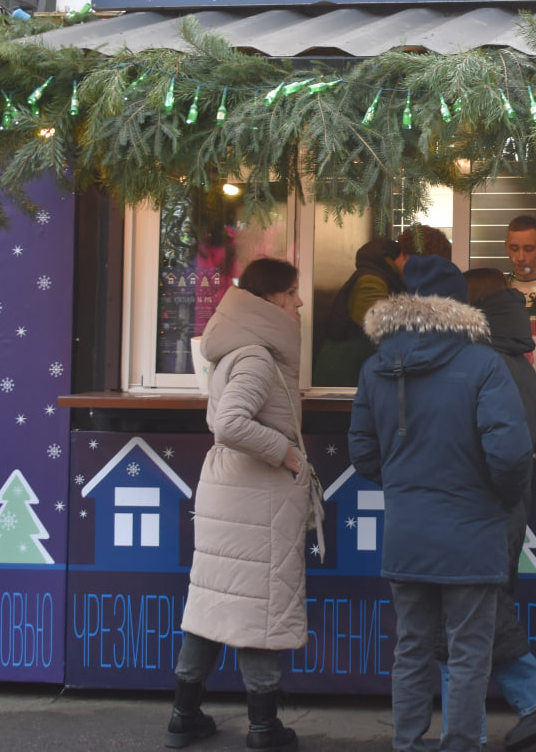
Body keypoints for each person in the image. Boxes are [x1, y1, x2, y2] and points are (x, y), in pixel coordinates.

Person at [348, 255, 533, 752]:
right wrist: (497, 496)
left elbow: (363, 453)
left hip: (408, 530)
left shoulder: (375, 366)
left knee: (411, 647)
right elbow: (511, 452)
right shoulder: (484, 363)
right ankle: (460, 744)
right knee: (469, 651)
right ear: (458, 306)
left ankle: (406, 743)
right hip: (472, 531)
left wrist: (407, 483)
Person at [166, 257, 322, 752]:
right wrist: (288, 455)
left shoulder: (240, 348)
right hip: (257, 495)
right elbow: (230, 423)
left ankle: (183, 717)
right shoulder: (257, 356)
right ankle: (263, 728)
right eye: (293, 292)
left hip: (231, 492)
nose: (299, 302)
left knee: (214, 603)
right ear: (271, 299)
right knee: (261, 607)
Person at [434, 268, 536, 751]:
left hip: (478, 507)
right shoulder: (514, 358)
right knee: (469, 617)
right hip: (502, 505)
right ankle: (532, 701)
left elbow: (490, 448)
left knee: (460, 622)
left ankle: (486, 723)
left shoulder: (482, 361)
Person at [313, 237, 408, 386]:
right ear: (401, 257)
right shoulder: (371, 280)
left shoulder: (381, 277)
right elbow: (380, 324)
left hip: (348, 366)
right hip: (342, 372)